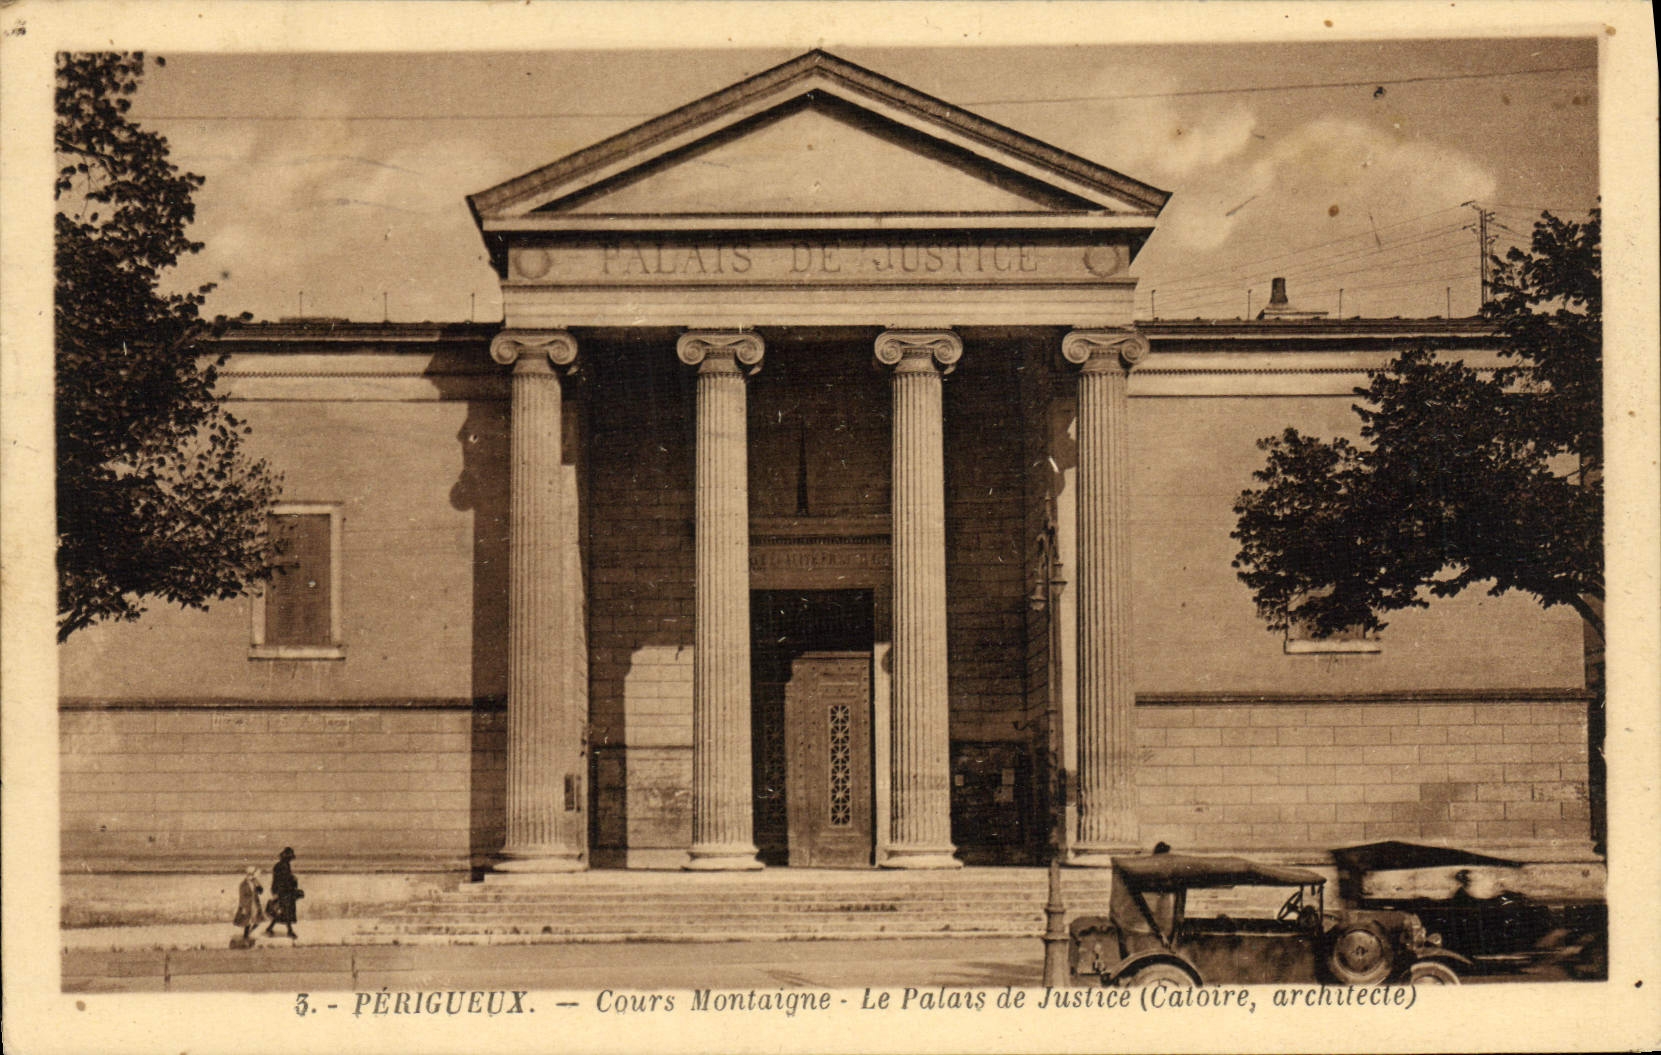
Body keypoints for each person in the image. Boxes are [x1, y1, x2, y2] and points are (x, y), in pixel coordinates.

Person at [264, 847, 302, 939]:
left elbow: (279, 880)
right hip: (284, 892)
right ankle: (289, 931)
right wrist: (293, 881)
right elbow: (284, 880)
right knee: (286, 911)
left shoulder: (280, 865)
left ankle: (270, 928)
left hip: (282, 891)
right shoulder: (284, 866)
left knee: (282, 912)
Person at [232, 866, 264, 947]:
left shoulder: (254, 882)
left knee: (258, 921)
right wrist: (243, 907)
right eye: (251, 875)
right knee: (248, 922)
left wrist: (258, 883)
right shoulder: (243, 885)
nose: (252, 876)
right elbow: (242, 897)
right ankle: (246, 937)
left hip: (255, 905)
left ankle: (248, 934)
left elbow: (261, 891)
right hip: (248, 905)